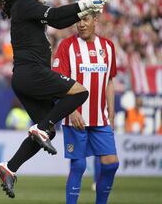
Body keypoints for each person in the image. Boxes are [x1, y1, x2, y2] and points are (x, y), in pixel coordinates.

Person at [0, 0, 113, 198]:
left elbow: (58, 23)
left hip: (24, 77)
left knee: (49, 129)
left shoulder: (25, 7)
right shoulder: (24, 4)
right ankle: (40, 128)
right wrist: (85, 2)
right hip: (32, 73)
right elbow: (57, 16)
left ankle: (9, 168)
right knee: (80, 92)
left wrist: (86, 8)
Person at [53, 12, 119, 204]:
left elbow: (109, 82)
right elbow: (58, 83)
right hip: (76, 117)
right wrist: (71, 111)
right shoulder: (66, 46)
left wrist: (111, 115)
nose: (80, 24)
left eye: (85, 20)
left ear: (95, 21)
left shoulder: (107, 46)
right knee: (79, 165)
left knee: (111, 164)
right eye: (77, 21)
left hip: (100, 118)